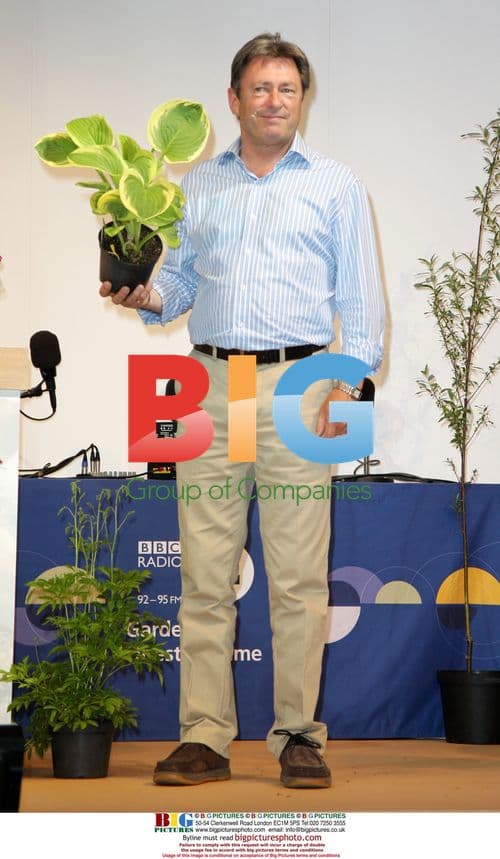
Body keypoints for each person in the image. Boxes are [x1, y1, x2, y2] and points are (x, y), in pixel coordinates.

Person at [100, 32, 385, 788]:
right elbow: (182, 289)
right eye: (259, 88)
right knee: (203, 573)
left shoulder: (335, 184)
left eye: (286, 89)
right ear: (234, 100)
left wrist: (347, 391)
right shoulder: (199, 187)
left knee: (298, 578)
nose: (273, 101)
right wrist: (145, 295)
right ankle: (204, 738)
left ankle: (298, 735)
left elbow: (361, 308)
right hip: (207, 385)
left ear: (303, 99)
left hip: (303, 386)